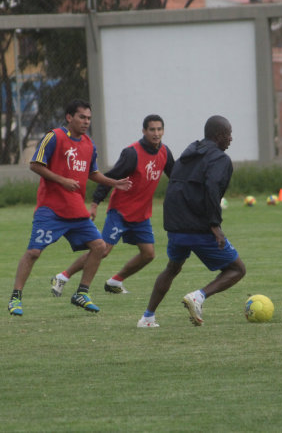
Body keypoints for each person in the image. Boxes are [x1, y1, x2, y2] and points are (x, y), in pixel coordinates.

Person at [7, 99, 132, 316]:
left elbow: (92, 173)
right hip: (51, 209)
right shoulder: (54, 136)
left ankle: (81, 293)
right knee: (34, 252)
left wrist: (115, 183)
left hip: (76, 211)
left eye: (89, 118)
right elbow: (35, 164)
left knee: (99, 247)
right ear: (69, 117)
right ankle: (15, 298)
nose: (86, 122)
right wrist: (62, 180)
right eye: (82, 117)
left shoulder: (89, 144)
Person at [137, 115, 246, 328]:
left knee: (172, 268)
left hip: (175, 224)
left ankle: (147, 317)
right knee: (237, 269)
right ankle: (198, 296)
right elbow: (212, 189)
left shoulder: (190, 152)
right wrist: (215, 225)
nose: (231, 139)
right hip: (197, 226)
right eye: (228, 134)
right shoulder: (220, 159)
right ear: (218, 135)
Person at [50, 114, 175, 296]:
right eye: (152, 129)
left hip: (141, 214)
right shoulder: (132, 153)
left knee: (148, 254)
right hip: (121, 211)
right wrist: (95, 203)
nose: (156, 133)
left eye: (159, 129)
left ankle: (115, 281)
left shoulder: (165, 152)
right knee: (103, 250)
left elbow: (176, 176)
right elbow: (111, 177)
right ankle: (62, 276)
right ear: (144, 131)